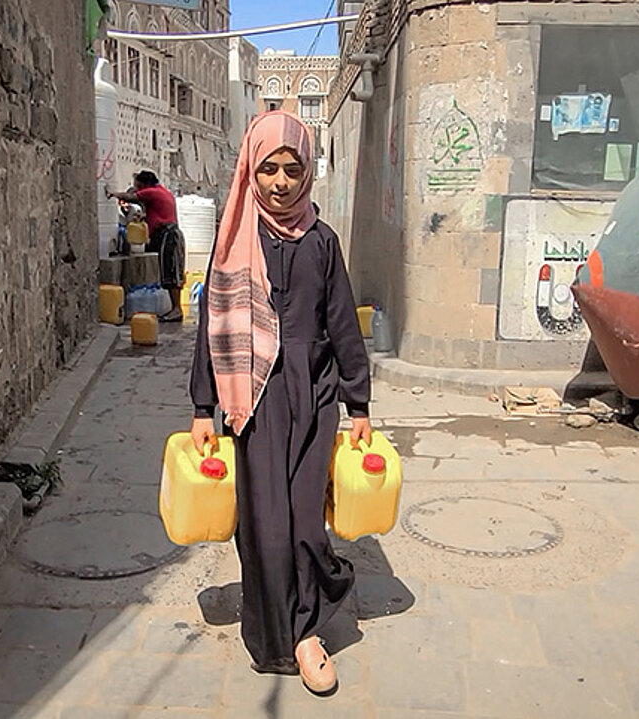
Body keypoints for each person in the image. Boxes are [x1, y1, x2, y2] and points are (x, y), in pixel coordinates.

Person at [188, 111, 371, 696]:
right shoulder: (235, 235)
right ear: (252, 169)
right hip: (256, 399)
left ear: (307, 173)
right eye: (268, 169)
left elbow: (342, 324)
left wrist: (359, 402)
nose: (281, 182)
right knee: (266, 527)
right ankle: (279, 634)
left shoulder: (321, 240)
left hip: (313, 396)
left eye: (293, 170)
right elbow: (212, 326)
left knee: (304, 527)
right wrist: (202, 408)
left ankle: (306, 627)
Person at [107, 171, 185, 322]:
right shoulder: (162, 192)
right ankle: (175, 308)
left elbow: (131, 198)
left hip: (168, 235)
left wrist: (113, 194)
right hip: (168, 233)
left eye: (138, 187)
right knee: (168, 271)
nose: (137, 190)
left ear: (144, 185)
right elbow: (157, 212)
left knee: (170, 271)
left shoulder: (152, 192)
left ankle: (177, 309)